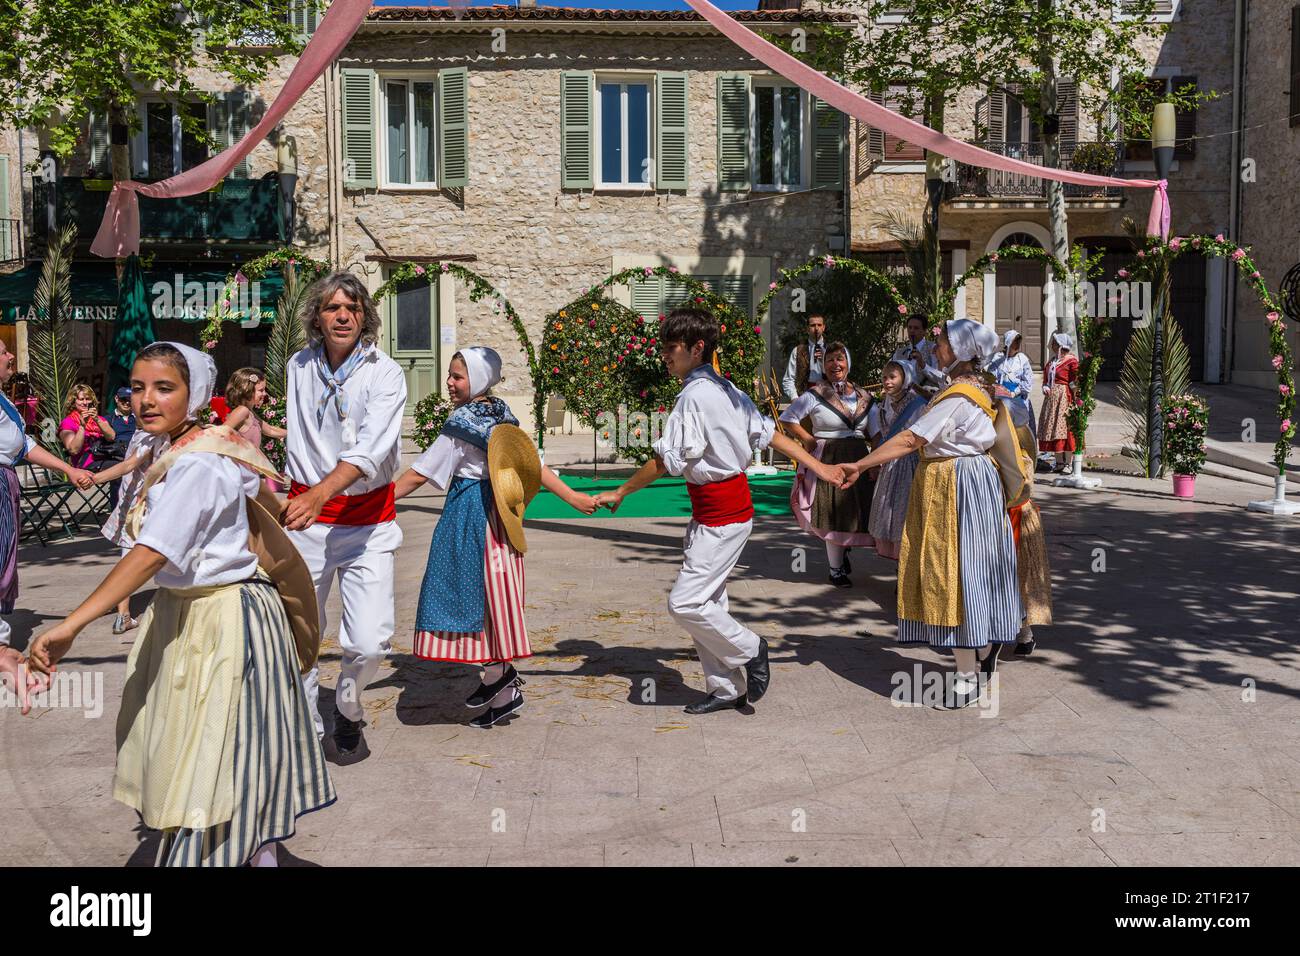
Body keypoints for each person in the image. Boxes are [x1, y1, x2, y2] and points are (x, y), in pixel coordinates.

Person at [26, 341, 334, 867]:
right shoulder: (188, 448)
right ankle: (260, 853)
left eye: (164, 388)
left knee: (210, 754)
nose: (146, 399)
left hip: (222, 617)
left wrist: (71, 625)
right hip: (194, 612)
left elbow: (151, 553)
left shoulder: (199, 463)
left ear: (195, 397)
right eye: (139, 387)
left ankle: (222, 854)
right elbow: (260, 501)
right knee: (222, 746)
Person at [595, 307, 846, 715]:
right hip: (718, 513)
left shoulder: (695, 396)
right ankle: (725, 688)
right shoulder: (728, 389)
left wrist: (621, 490)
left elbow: (666, 461)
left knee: (686, 603)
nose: (665, 356)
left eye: (672, 348)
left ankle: (750, 648)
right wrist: (821, 467)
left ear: (697, 349)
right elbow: (771, 434)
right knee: (709, 600)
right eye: (664, 348)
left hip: (723, 516)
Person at [393, 347, 598, 728]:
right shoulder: (502, 414)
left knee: (469, 591)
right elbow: (533, 461)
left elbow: (420, 473)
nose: (450, 383)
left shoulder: (463, 423)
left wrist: (378, 502)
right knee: (493, 593)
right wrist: (571, 497)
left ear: (479, 380)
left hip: (471, 513)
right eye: (450, 376)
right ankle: (500, 689)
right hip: (503, 513)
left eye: (458, 376)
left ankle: (498, 677)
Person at [841, 319, 1023, 709]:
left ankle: (966, 674)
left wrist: (860, 465)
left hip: (954, 484)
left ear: (959, 351)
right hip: (971, 482)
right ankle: (985, 646)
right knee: (974, 567)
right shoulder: (974, 387)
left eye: (941, 341)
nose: (935, 346)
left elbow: (911, 438)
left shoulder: (959, 395)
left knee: (951, 570)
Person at [282, 271, 406, 758]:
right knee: (299, 633)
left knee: (370, 642)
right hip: (304, 523)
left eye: (352, 309)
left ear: (364, 318)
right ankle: (308, 727)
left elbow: (373, 450)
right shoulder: (298, 366)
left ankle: (349, 706)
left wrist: (318, 494)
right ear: (317, 315)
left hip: (368, 522)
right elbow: (301, 438)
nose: (343, 316)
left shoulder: (385, 372)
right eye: (333, 307)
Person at [0, 339, 94, 658]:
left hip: (6, 481)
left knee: (3, 558)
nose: (11, 355)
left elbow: (23, 444)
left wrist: (67, 469)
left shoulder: (3, 399)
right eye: (3, 352)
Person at [779, 341, 875, 588]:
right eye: (830, 360)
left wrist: (876, 461)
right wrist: (808, 438)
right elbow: (788, 418)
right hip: (829, 457)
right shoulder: (815, 394)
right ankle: (835, 570)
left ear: (848, 363)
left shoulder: (864, 396)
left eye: (840, 359)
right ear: (823, 365)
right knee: (832, 513)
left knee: (855, 512)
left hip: (858, 457)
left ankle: (842, 555)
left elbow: (875, 432)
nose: (835, 364)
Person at [91, 425, 170, 636]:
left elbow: (130, 464)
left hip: (142, 503)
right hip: (140, 504)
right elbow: (130, 464)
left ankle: (121, 612)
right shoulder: (151, 433)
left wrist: (96, 478)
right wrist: (95, 478)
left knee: (132, 557)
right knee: (140, 557)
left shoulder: (153, 435)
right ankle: (123, 614)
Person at [866, 358, 928, 561]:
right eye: (884, 377)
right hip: (890, 465)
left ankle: (906, 569)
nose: (887, 382)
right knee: (890, 515)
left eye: (892, 377)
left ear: (906, 377)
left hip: (910, 465)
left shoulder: (917, 403)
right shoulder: (885, 403)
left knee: (905, 516)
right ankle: (900, 569)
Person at [782, 313, 848, 400]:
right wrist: (795, 398)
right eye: (813, 325)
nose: (816, 328)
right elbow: (788, 380)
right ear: (807, 329)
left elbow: (842, 377)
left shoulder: (834, 350)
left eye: (819, 325)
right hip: (804, 396)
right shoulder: (797, 351)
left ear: (823, 327)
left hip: (829, 398)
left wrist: (825, 361)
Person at [1038, 331, 1079, 471]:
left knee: (1065, 430)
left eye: (1055, 343)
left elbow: (1076, 380)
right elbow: (1046, 379)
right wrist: (1045, 386)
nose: (1053, 345)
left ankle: (1068, 463)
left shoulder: (1071, 361)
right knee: (1054, 429)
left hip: (1064, 398)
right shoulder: (1053, 361)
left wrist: (1074, 395)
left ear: (1062, 345)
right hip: (1051, 400)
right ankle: (1059, 463)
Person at [59, 384, 116, 470]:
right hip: (85, 464)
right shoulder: (68, 422)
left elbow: (112, 437)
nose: (85, 403)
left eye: (88, 399)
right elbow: (74, 450)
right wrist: (82, 426)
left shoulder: (99, 419)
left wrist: (97, 420)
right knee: (120, 467)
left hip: (105, 457)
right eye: (81, 399)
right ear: (74, 402)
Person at [990, 330, 1036, 436]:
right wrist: (999, 391)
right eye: (1014, 343)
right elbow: (991, 378)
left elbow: (1028, 381)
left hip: (1018, 398)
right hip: (1000, 398)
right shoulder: (997, 359)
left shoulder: (1022, 360)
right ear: (1007, 343)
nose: (1016, 346)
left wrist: (1014, 393)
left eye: (1018, 343)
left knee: (1019, 429)